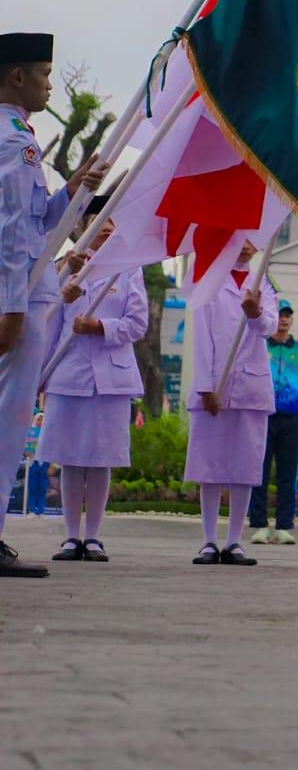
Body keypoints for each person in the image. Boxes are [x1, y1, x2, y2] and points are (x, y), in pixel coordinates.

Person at [0, 31, 106, 576]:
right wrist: (13, 306)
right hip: (17, 297)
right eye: (43, 73)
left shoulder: (20, 137)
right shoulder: (13, 140)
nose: (48, 83)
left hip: (20, 292)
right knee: (6, 423)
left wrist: (77, 189)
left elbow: (41, 218)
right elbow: (16, 230)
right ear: (16, 76)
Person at [38, 197, 147, 561]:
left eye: (112, 221)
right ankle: (71, 536)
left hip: (112, 378)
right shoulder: (65, 268)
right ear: (83, 225)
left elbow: (137, 323)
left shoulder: (130, 269)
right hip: (69, 374)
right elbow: (49, 325)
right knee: (70, 457)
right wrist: (40, 377)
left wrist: (99, 327)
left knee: (101, 459)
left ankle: (95, 536)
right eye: (99, 219)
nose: (105, 227)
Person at [186, 243, 276, 566]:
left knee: (244, 466)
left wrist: (256, 313)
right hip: (213, 384)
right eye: (241, 237)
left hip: (251, 387)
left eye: (253, 239)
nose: (247, 245)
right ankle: (209, 541)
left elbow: (270, 326)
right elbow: (201, 336)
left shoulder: (263, 281)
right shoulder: (209, 278)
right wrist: (206, 387)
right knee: (209, 466)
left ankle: (234, 541)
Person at [248, 302, 298, 546]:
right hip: (263, 416)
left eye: (288, 316)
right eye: (280, 316)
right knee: (259, 472)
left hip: (290, 419)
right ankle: (260, 525)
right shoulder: (261, 346)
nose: (283, 320)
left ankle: (284, 525)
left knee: (287, 474)